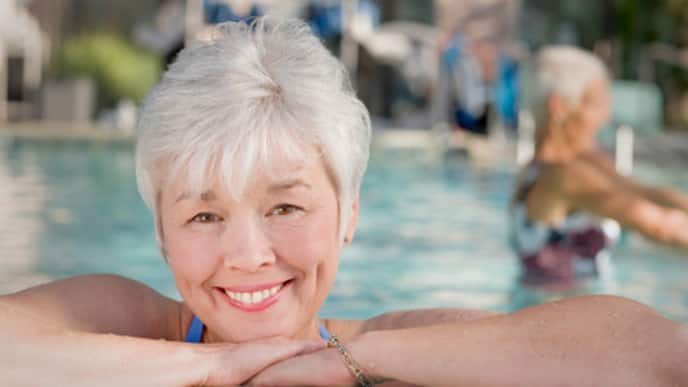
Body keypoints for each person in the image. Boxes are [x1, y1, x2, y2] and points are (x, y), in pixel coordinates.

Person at [1, 18, 686, 387]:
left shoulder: (383, 346)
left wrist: (340, 363)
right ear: (159, 228)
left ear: (351, 211)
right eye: (204, 215)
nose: (247, 256)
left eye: (286, 207)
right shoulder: (137, 324)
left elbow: (656, 357)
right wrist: (216, 366)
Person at [511, 45, 688, 287]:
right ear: (559, 106)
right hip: (558, 319)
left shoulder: (573, 164)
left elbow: (647, 194)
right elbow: (662, 227)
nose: (606, 116)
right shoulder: (563, 176)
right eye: (596, 104)